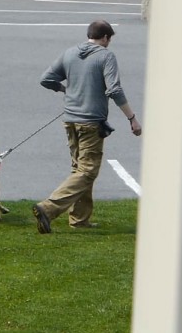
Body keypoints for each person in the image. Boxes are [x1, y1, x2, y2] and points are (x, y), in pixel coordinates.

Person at [32, 20, 142, 234]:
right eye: (110, 40)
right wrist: (132, 118)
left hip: (70, 120)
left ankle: (79, 219)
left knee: (79, 170)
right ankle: (48, 208)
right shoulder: (106, 56)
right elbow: (114, 90)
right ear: (106, 38)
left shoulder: (71, 52)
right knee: (88, 170)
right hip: (91, 122)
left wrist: (65, 89)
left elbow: (46, 79)